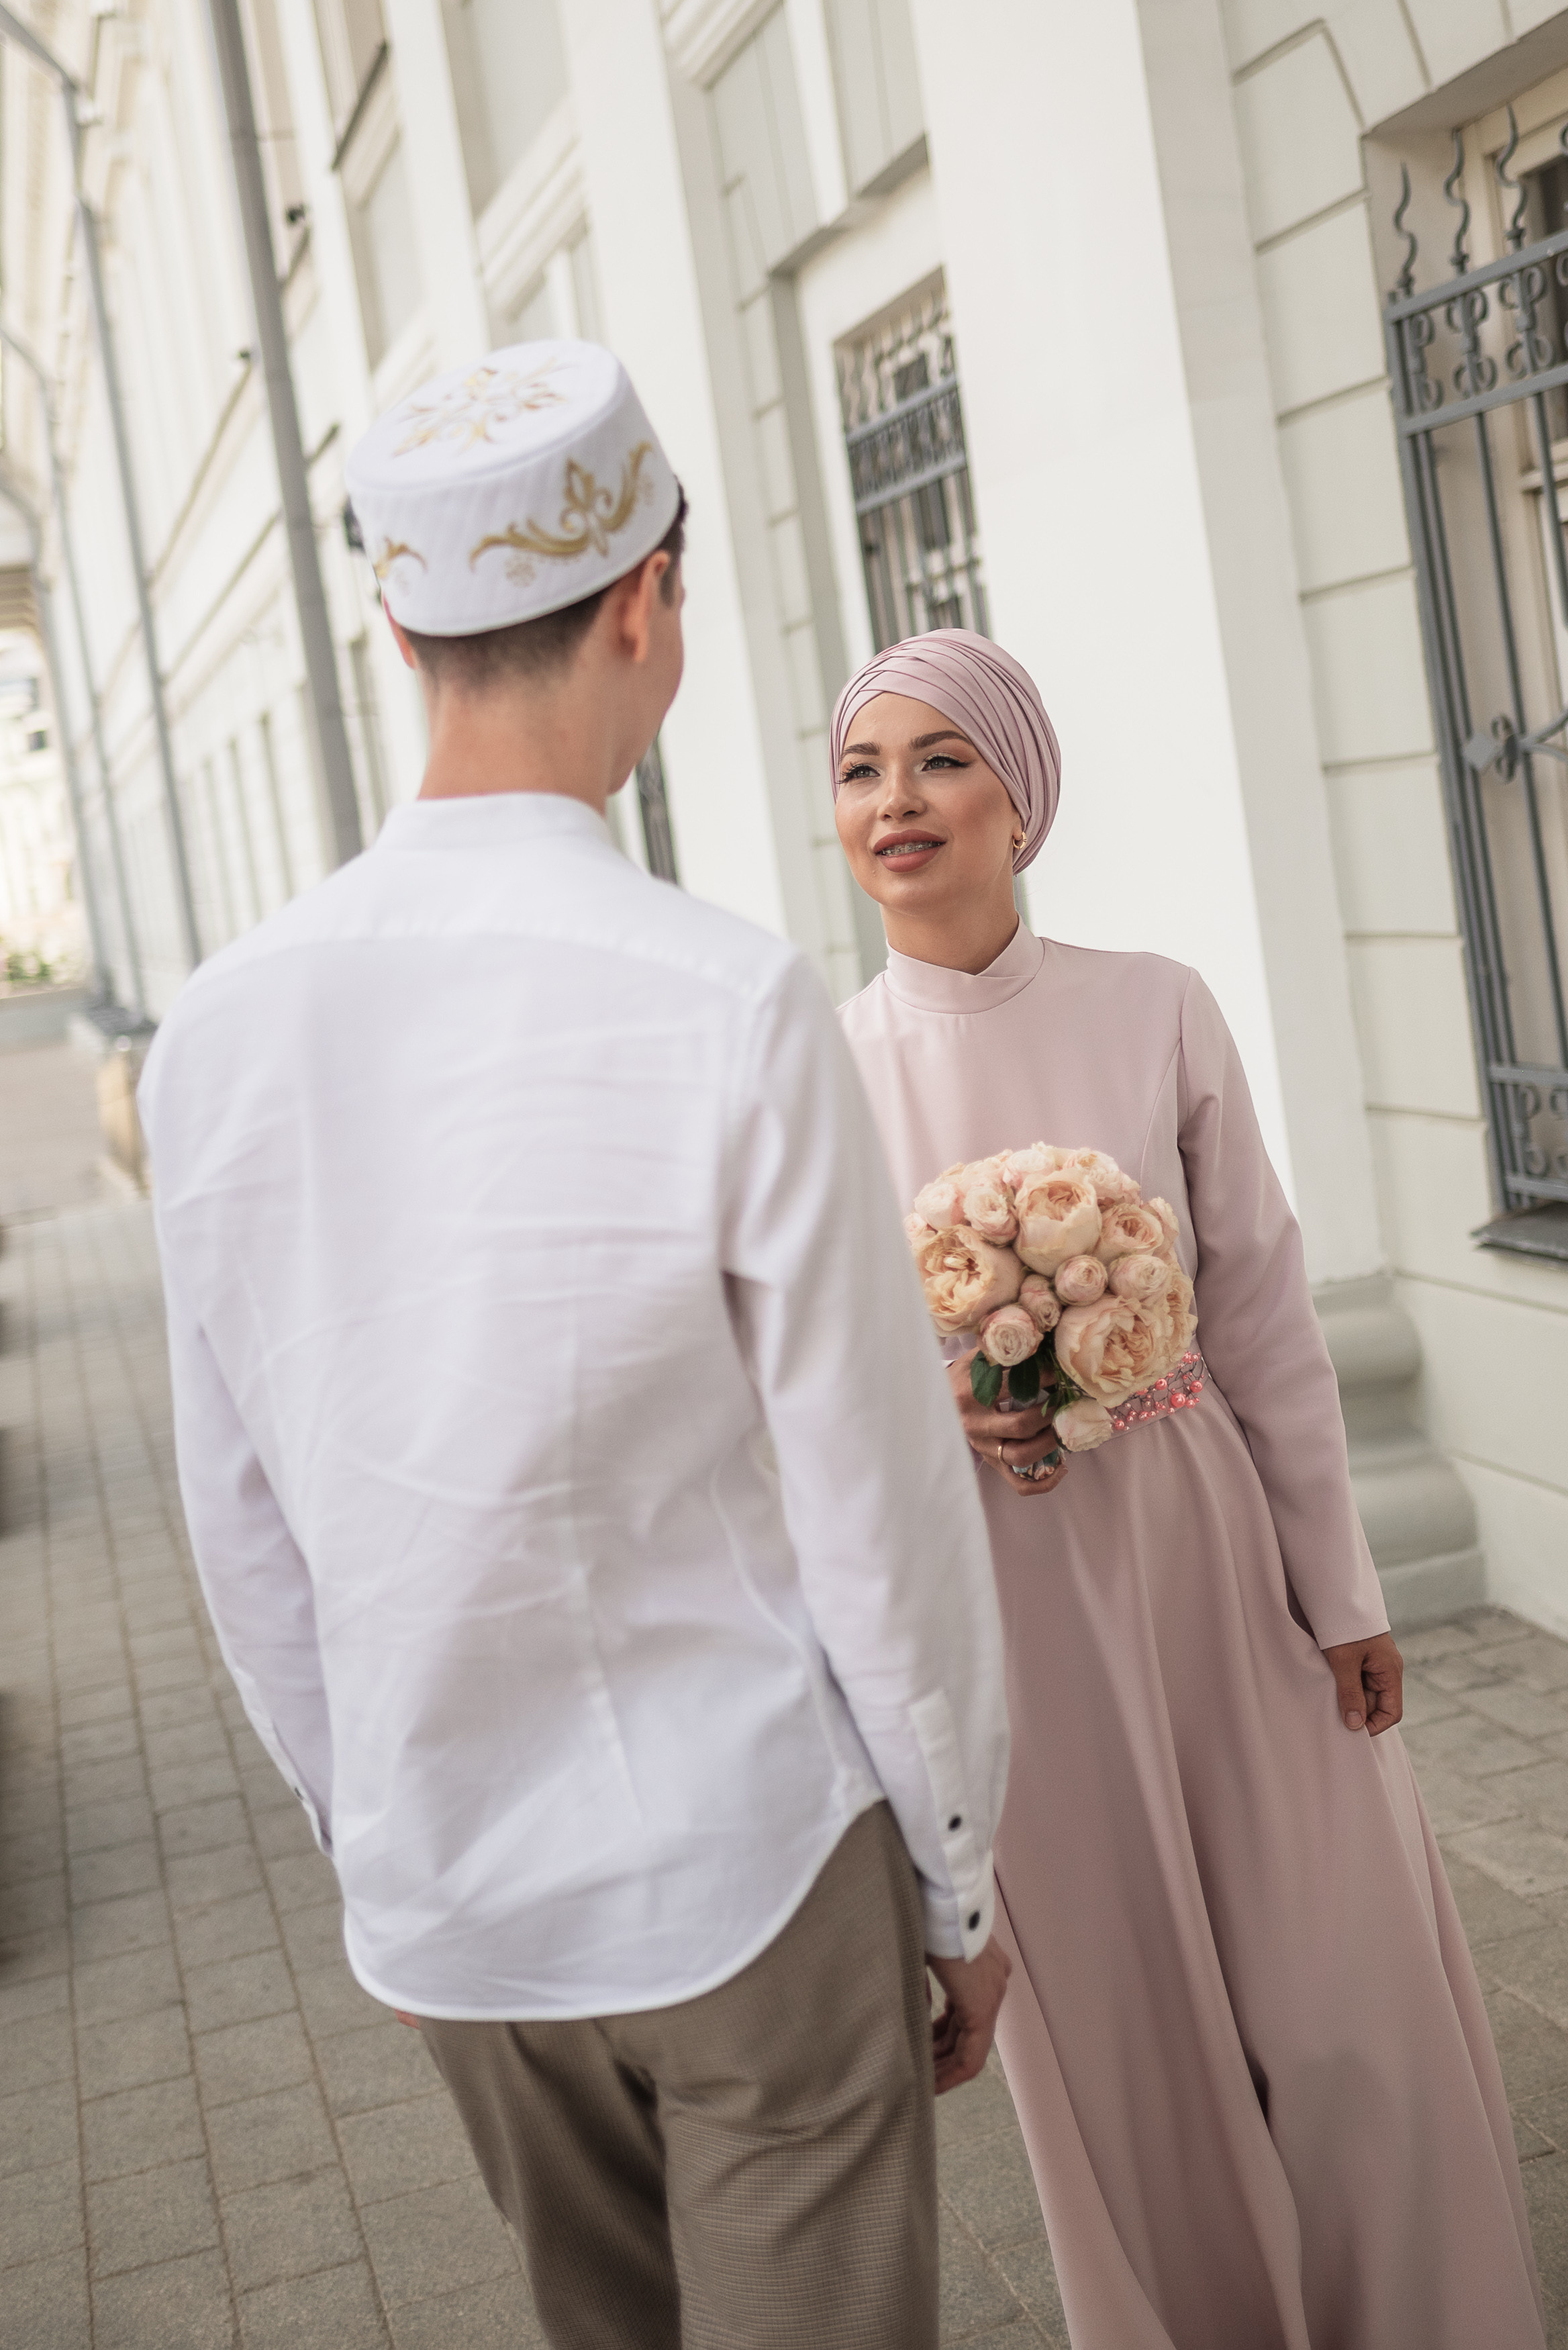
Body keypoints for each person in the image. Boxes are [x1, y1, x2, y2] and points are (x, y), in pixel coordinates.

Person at [138, 346, 1013, 2350]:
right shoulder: (727, 998)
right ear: (646, 601)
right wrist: (960, 1880)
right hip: (749, 1861)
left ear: (400, 633)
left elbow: (243, 1529)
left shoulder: (220, 1032)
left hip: (460, 1893)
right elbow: (877, 1504)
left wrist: (383, 1837)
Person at [830, 627, 1546, 2350]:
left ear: (1021, 795)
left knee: (1343, 1991)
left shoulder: (1155, 1003)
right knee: (1132, 2050)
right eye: (860, 770)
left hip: (1212, 1557)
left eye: (940, 758)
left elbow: (1268, 1316)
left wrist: (1342, 1591)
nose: (896, 800)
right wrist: (938, 1405)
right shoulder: (821, 1075)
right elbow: (802, 1383)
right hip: (1006, 1619)